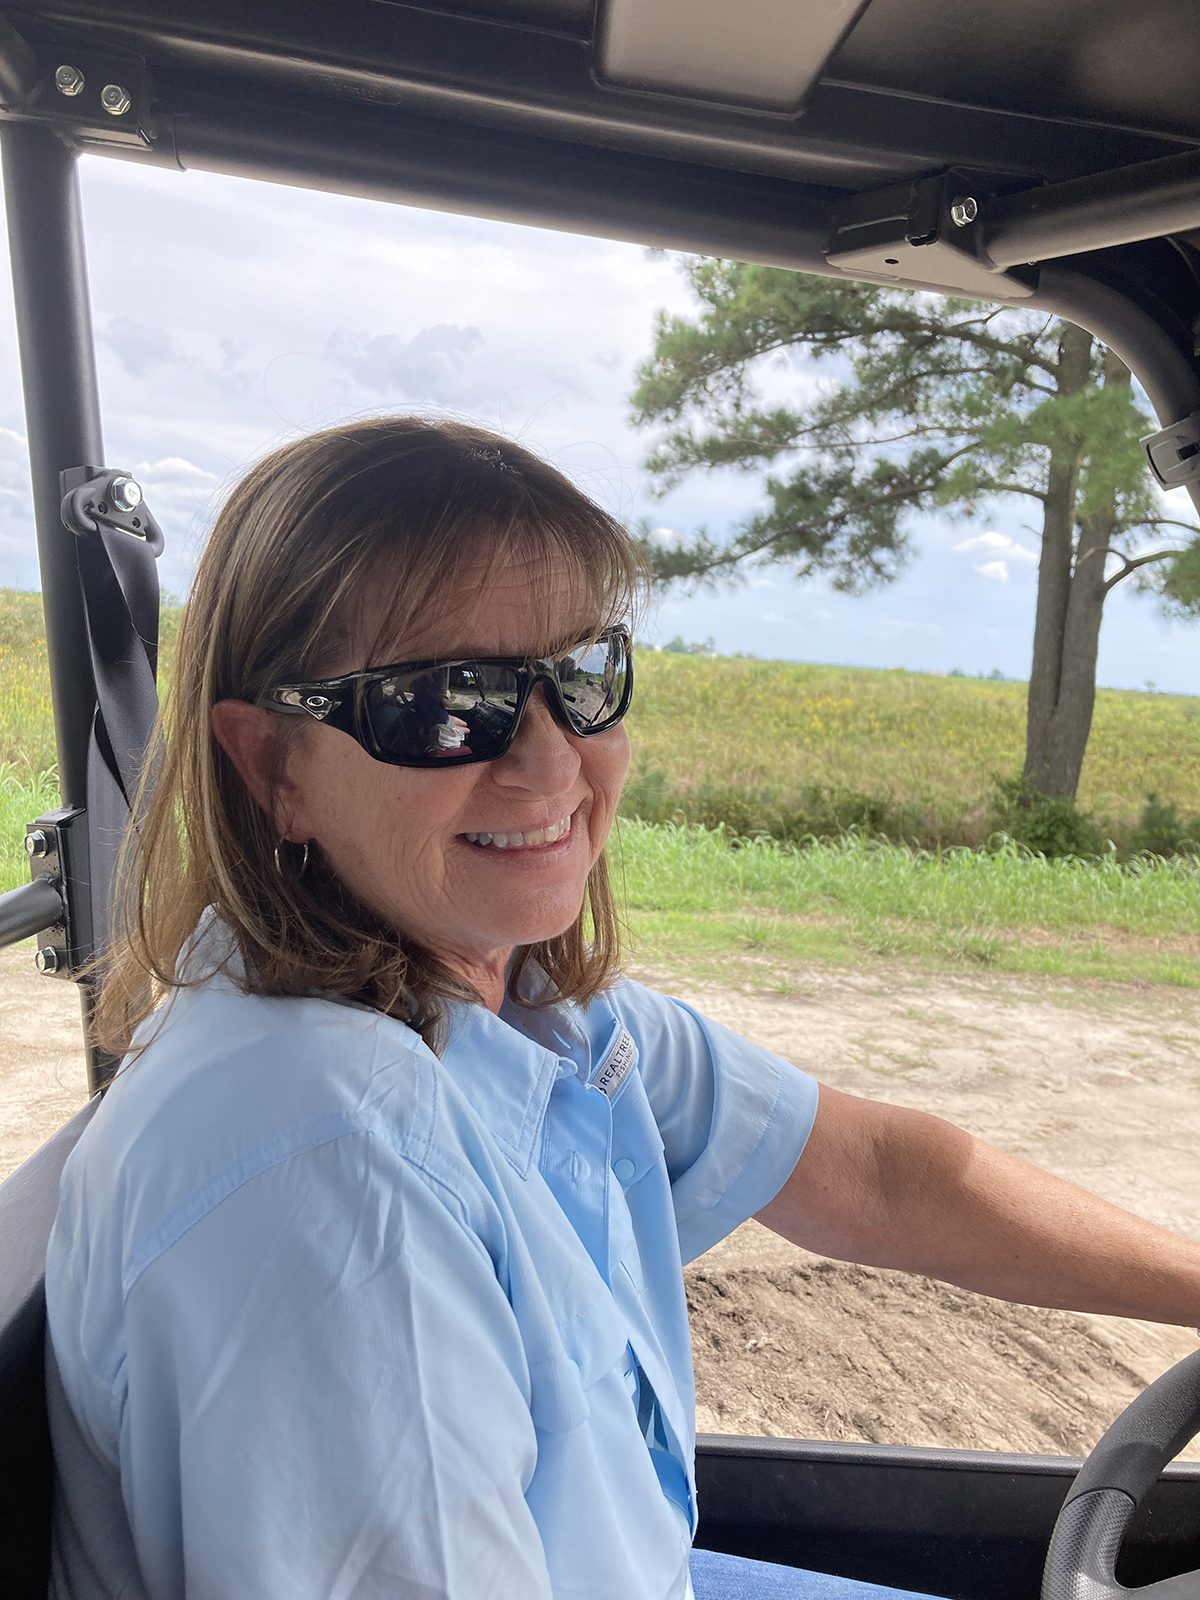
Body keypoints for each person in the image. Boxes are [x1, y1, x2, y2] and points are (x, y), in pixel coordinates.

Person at [44, 417, 1200, 1600]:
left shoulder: (533, 1009)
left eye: (583, 677)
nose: (550, 764)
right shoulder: (329, 1158)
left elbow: (886, 1178)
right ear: (272, 766)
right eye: (448, 703)